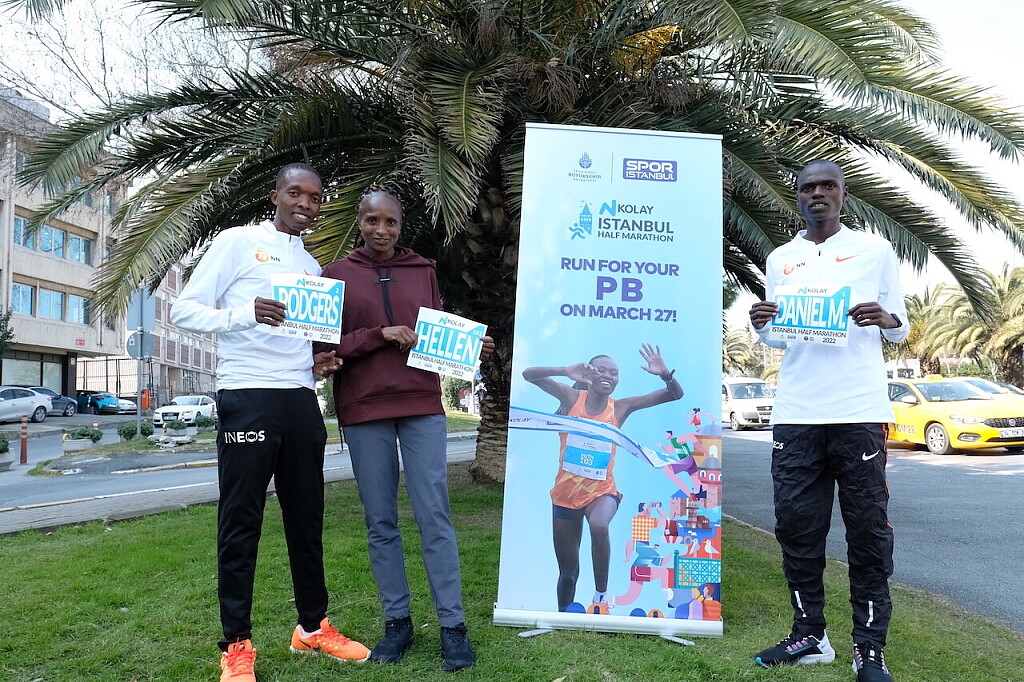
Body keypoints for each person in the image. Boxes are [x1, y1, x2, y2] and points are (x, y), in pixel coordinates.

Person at [172, 163, 370, 682]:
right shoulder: (237, 242)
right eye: (296, 192)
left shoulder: (311, 265)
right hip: (247, 393)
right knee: (242, 521)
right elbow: (183, 311)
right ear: (275, 195)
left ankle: (312, 627)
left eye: (315, 196)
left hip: (300, 398)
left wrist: (317, 361)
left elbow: (299, 337)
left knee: (307, 518)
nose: (305, 203)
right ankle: (236, 645)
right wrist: (245, 314)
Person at [315, 185, 493, 672]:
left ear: (400, 225)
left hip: (421, 404)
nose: (382, 230)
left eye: (390, 221)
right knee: (381, 521)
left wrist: (469, 346)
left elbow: (434, 333)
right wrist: (378, 335)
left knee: (435, 514)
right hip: (363, 406)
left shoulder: (423, 270)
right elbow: (324, 346)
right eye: (372, 220)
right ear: (359, 222)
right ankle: (398, 622)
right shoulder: (335, 275)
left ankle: (453, 626)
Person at [748, 159, 908, 682]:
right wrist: (761, 325)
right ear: (797, 196)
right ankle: (809, 634)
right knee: (796, 525)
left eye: (828, 186)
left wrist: (886, 318)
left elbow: (899, 327)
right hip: (797, 412)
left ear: (843, 194)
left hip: (858, 411)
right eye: (808, 187)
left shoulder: (874, 250)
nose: (817, 193)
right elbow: (779, 338)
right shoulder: (781, 257)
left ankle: (870, 649)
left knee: (867, 532)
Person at [522, 345, 683, 611]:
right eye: (602, 370)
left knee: (599, 525)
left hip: (602, 492)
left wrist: (665, 374)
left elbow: (675, 394)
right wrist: (564, 370)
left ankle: (601, 597)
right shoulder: (571, 397)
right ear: (588, 374)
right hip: (564, 495)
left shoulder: (620, 408)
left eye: (614, 373)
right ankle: (564, 617)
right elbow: (529, 375)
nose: (609, 376)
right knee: (568, 573)